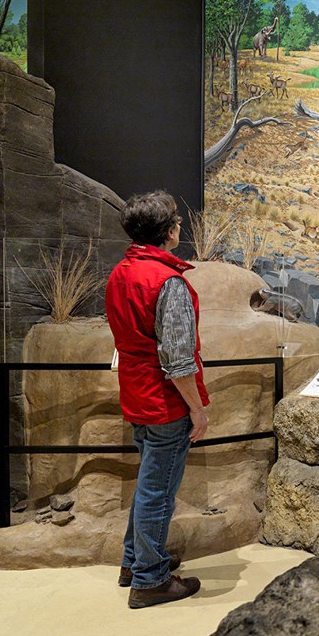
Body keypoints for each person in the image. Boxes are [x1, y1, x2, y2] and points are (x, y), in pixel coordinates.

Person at [105, 190, 210, 609]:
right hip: (164, 401)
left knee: (150, 483)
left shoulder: (120, 273)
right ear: (169, 232)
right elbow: (179, 359)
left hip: (136, 393)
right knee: (158, 490)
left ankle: (136, 562)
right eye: (178, 222)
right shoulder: (168, 282)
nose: (180, 227)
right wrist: (197, 409)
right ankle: (150, 580)